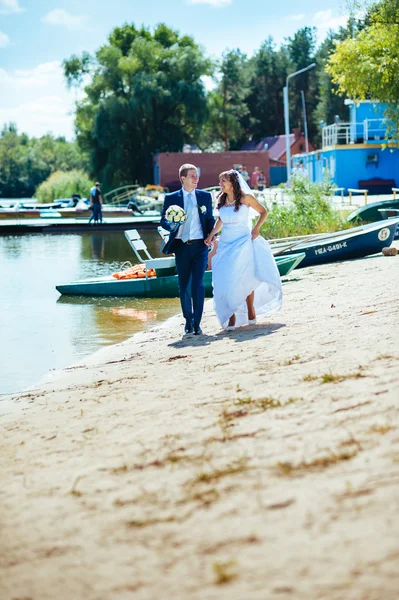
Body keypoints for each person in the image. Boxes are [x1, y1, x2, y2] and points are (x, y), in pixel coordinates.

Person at [204, 169, 282, 331]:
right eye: (220, 181)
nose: (220, 184)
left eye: (223, 181)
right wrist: (212, 234)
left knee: (244, 276)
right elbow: (221, 219)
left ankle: (250, 309)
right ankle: (230, 312)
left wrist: (256, 229)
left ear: (233, 183)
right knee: (225, 278)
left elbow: (263, 212)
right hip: (226, 243)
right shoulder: (222, 199)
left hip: (243, 242)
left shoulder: (246, 198)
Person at [160, 164, 215, 335]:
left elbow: (210, 219)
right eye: (192, 175)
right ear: (183, 178)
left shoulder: (205, 196)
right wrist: (171, 223)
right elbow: (163, 221)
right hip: (181, 247)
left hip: (200, 246)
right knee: (184, 286)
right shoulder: (171, 198)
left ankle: (197, 323)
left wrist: (213, 235)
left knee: (198, 285)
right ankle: (188, 320)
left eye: (196, 175)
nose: (196, 178)